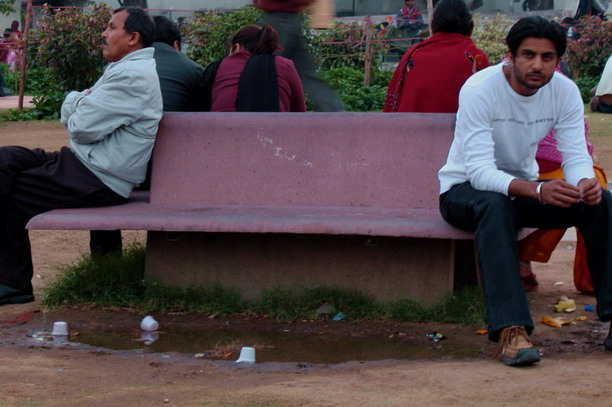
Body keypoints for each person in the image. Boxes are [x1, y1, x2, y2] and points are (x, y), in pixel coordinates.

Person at [438, 16, 612, 366]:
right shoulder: (479, 88)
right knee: (494, 204)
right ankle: (511, 330)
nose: (537, 65)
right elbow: (479, 171)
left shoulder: (563, 91)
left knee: (601, 202)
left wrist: (582, 184)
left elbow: (576, 155)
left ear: (557, 60)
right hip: (464, 192)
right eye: (528, 55)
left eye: (547, 57)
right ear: (511, 56)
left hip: (522, 193)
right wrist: (537, 189)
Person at [0, 6, 162, 307]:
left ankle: (12, 284)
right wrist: (80, 101)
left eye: (112, 27)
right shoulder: (126, 69)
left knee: (13, 192)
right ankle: (10, 282)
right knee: (7, 158)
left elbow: (81, 127)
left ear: (133, 37)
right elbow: (82, 115)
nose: (104, 33)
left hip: (98, 178)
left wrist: (76, 100)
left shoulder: (132, 76)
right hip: (85, 164)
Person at [89, 15, 209, 256]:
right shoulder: (193, 70)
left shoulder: (122, 69)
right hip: (169, 174)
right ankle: (176, 258)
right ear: (177, 44)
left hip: (120, 169)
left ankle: (106, 259)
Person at [383, 0, 489, 113]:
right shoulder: (478, 59)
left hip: (414, 129)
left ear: (433, 26)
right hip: (465, 130)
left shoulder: (414, 56)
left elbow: (394, 110)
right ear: (471, 28)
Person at [253, 0, 345, 111]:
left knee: (262, 70)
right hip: (288, 19)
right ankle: (336, 112)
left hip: (278, 19)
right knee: (306, 74)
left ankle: (256, 115)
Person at [209, 24, 306, 112]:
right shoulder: (285, 65)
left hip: (223, 129)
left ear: (237, 47)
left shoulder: (219, 67)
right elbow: (300, 112)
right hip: (273, 128)